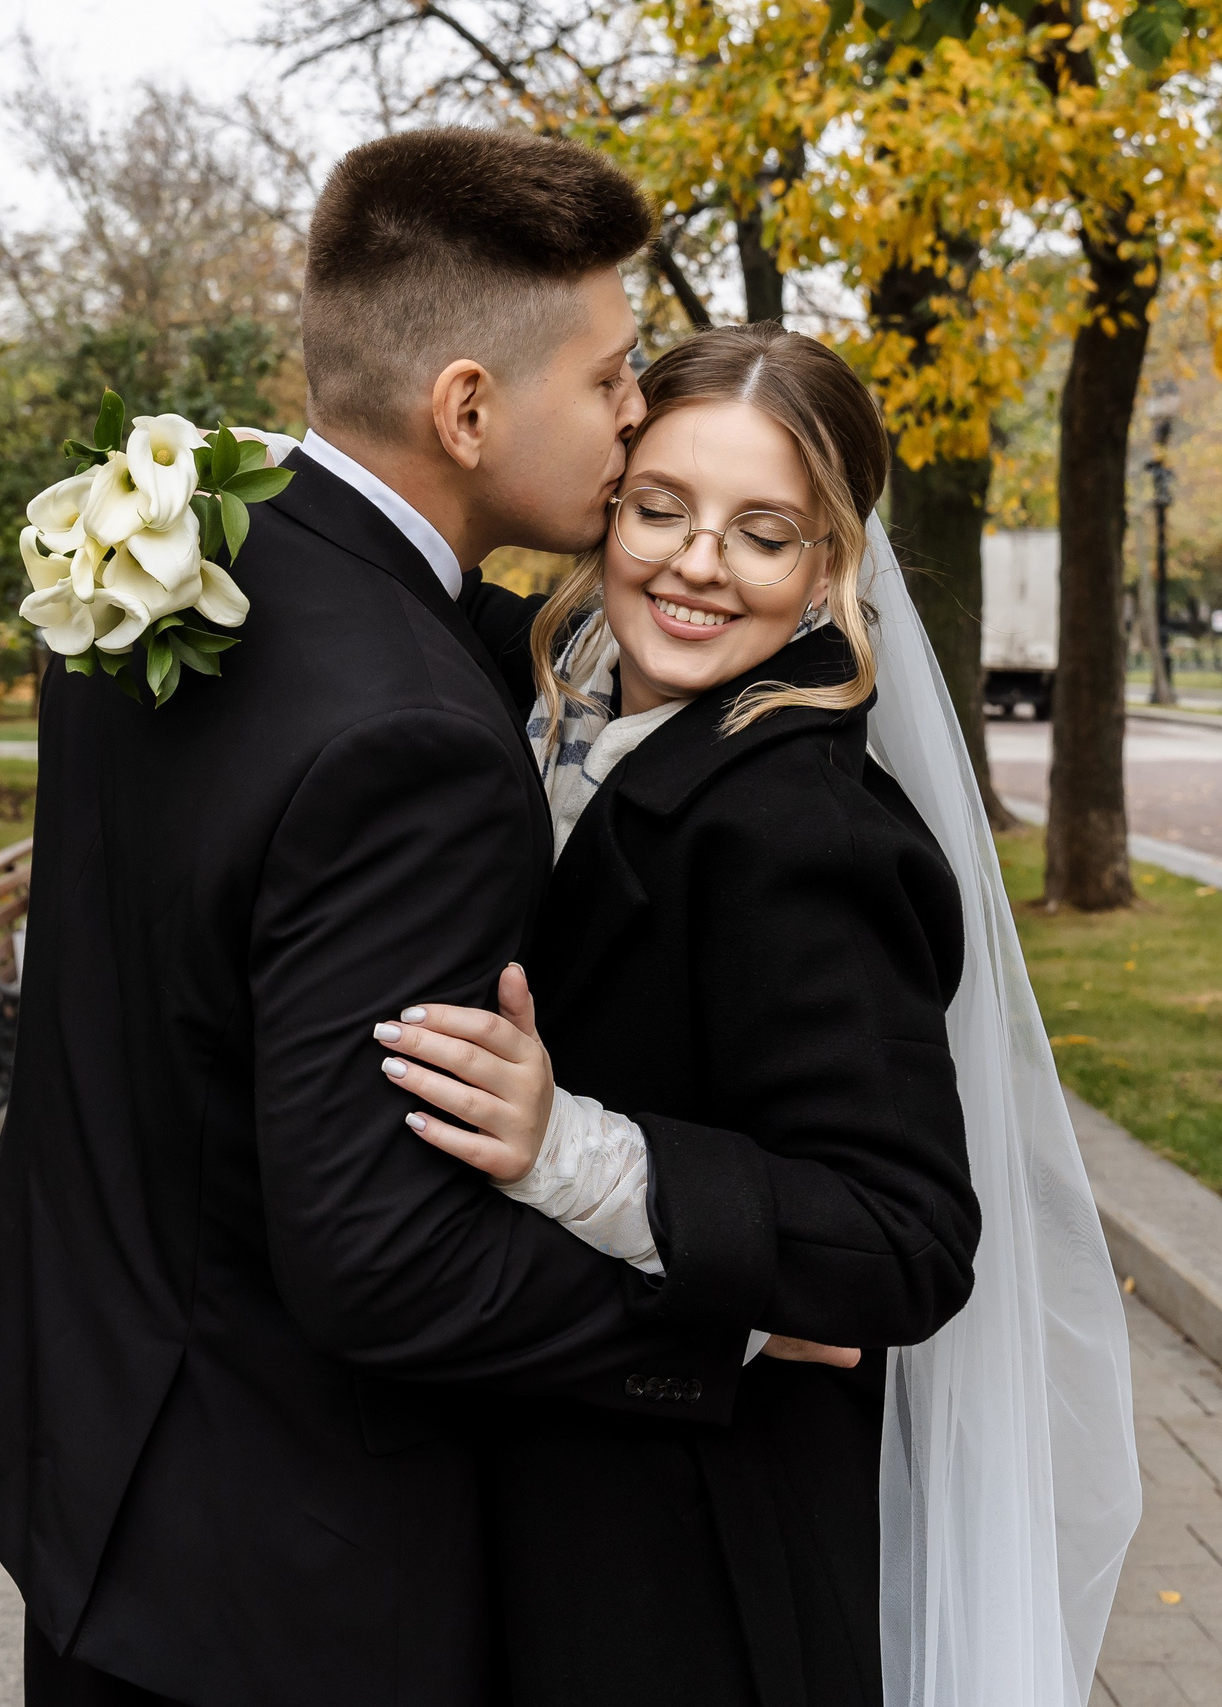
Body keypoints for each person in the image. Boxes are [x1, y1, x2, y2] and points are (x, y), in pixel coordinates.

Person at [0, 130, 804, 1707]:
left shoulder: (176, 563)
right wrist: (727, 1331)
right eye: (614, 380)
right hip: (276, 1574)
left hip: (87, 1457)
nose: (637, 415)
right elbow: (381, 1260)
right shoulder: (409, 740)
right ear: (467, 407)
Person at [385, 324, 1141, 1706]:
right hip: (537, 1500)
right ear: (606, 506)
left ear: (830, 568)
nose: (693, 565)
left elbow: (904, 1241)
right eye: (660, 508)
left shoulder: (808, 832)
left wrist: (575, 1151)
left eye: (762, 532)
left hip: (693, 1563)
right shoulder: (561, 700)